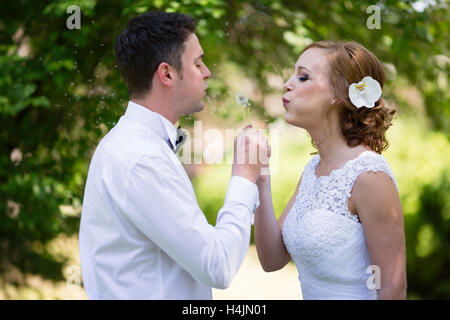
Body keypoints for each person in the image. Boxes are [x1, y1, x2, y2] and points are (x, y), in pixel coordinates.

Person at [79, 11, 269, 299]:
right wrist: (243, 177)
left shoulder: (134, 144)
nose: (207, 72)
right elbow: (217, 265)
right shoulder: (141, 158)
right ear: (167, 74)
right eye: (197, 62)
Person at [254, 41, 407, 300]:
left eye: (303, 77)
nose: (287, 84)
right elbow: (272, 259)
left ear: (338, 94)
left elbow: (392, 289)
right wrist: (260, 177)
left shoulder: (370, 176)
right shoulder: (313, 170)